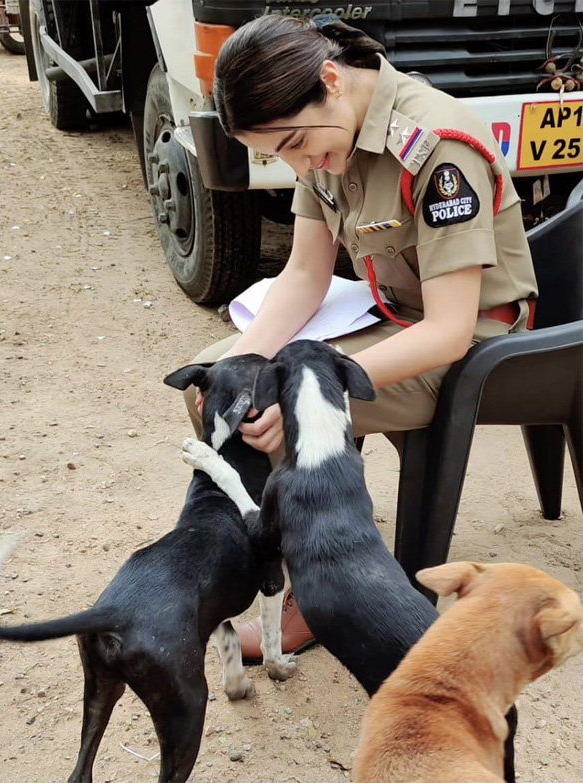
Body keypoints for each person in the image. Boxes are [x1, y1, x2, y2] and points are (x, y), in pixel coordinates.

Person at [183, 14, 538, 660]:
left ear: (330, 80)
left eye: (295, 142)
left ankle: (314, 600)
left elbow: (451, 331)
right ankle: (277, 570)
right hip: (393, 316)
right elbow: (303, 276)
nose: (298, 162)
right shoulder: (321, 132)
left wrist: (311, 397)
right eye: (278, 153)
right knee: (221, 381)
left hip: (473, 342)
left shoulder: (435, 146)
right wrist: (237, 362)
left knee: (282, 410)